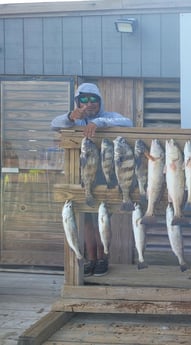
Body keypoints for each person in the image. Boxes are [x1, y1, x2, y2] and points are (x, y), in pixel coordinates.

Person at [51, 83, 133, 277]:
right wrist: (71, 117)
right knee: (86, 221)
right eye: (84, 99)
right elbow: (54, 124)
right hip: (81, 178)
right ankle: (91, 259)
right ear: (78, 101)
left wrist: (99, 123)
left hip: (104, 177)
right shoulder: (75, 121)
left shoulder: (110, 117)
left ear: (100, 101)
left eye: (93, 99)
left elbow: (127, 122)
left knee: (101, 219)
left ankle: (103, 257)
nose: (89, 104)